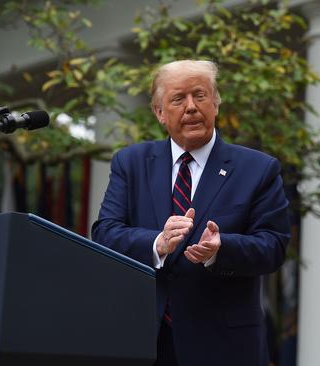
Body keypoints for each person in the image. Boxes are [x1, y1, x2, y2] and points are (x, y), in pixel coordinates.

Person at [92, 60, 291, 366]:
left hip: (225, 346)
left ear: (216, 103)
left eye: (200, 96)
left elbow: (273, 247)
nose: (191, 108)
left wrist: (220, 249)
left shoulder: (258, 169)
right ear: (159, 112)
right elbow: (105, 234)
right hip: (143, 341)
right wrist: (158, 243)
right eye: (177, 99)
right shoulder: (131, 163)